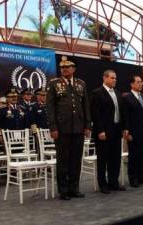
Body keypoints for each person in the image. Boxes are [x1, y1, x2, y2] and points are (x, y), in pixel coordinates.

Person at [46, 56, 91, 200]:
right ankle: (64, 190)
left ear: (73, 69)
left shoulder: (81, 84)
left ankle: (74, 188)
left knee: (76, 160)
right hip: (62, 128)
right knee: (63, 160)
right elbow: (50, 108)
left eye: (67, 67)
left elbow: (86, 106)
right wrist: (53, 128)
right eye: (62, 67)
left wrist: (87, 125)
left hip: (78, 127)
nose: (64, 69)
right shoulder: (54, 84)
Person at [90, 70, 126, 194]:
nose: (115, 80)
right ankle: (103, 184)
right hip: (104, 131)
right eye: (112, 78)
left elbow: (121, 112)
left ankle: (113, 182)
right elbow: (96, 113)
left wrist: (124, 128)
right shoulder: (97, 93)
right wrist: (100, 130)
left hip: (116, 130)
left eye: (115, 78)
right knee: (103, 159)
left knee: (115, 158)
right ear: (105, 78)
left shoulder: (117, 93)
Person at [122, 75, 143, 187]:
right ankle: (133, 178)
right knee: (134, 156)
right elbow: (125, 116)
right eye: (138, 82)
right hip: (133, 132)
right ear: (132, 84)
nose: (141, 84)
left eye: (141, 82)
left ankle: (142, 176)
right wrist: (127, 131)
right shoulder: (127, 97)